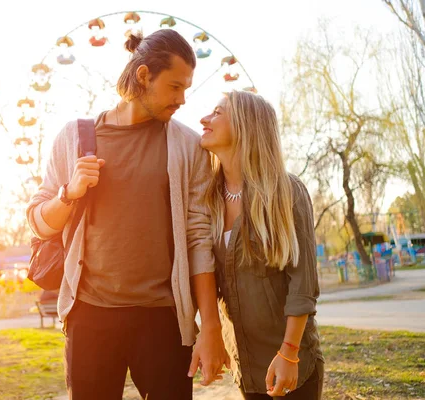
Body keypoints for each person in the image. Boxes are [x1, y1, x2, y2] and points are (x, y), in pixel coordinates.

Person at [26, 29, 227, 400]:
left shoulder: (187, 146)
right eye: (174, 87)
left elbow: (199, 238)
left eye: (186, 88)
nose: (183, 100)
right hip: (90, 315)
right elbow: (38, 221)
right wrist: (69, 194)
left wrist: (210, 327)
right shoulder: (74, 137)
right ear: (144, 76)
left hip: (164, 319)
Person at [199, 90, 324, 399]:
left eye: (217, 112)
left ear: (245, 125)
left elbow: (303, 282)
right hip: (246, 366)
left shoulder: (286, 191)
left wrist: (289, 353)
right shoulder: (208, 199)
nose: (204, 119)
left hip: (290, 364)